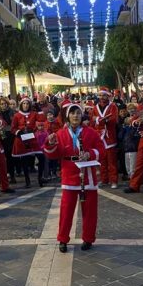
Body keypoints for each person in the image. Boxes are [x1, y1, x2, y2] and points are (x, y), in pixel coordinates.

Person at [44, 103, 105, 252]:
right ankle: (63, 239)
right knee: (66, 211)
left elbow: (101, 150)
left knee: (90, 211)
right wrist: (49, 143)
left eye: (78, 113)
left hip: (88, 176)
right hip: (69, 175)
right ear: (67, 116)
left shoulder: (91, 132)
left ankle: (88, 238)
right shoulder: (60, 134)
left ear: (81, 115)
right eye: (72, 113)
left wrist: (89, 153)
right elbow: (52, 154)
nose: (75, 116)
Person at [11, 97, 41, 188]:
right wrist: (18, 132)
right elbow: (13, 128)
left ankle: (40, 177)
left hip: (32, 139)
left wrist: (35, 130)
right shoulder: (17, 115)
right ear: (21, 105)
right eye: (24, 103)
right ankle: (27, 181)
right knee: (24, 161)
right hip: (21, 140)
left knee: (41, 157)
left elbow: (41, 121)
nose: (26, 105)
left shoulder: (34, 114)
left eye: (27, 103)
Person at [92, 87, 119, 188]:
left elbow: (114, 119)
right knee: (102, 160)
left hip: (109, 136)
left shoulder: (113, 106)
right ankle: (104, 180)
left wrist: (100, 119)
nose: (102, 97)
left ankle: (114, 181)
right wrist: (100, 119)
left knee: (111, 160)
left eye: (104, 95)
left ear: (108, 95)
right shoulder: (95, 107)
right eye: (100, 95)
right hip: (99, 136)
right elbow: (92, 120)